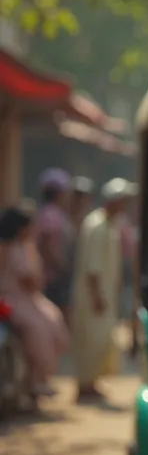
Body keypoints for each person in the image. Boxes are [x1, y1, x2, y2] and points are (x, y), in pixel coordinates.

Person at [70, 178, 137, 402]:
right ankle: (84, 385)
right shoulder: (97, 226)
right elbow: (92, 267)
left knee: (100, 339)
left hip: (103, 292)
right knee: (91, 338)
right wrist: (97, 295)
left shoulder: (110, 225)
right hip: (93, 294)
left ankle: (91, 383)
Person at [0, 202, 70, 398]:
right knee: (38, 328)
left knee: (54, 320)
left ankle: (38, 378)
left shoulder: (27, 247)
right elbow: (28, 279)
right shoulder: (9, 248)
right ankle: (36, 381)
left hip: (30, 298)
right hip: (11, 298)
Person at [35, 168, 74, 315]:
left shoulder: (56, 213)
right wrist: (60, 266)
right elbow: (46, 245)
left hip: (57, 275)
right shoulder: (50, 214)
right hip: (53, 277)